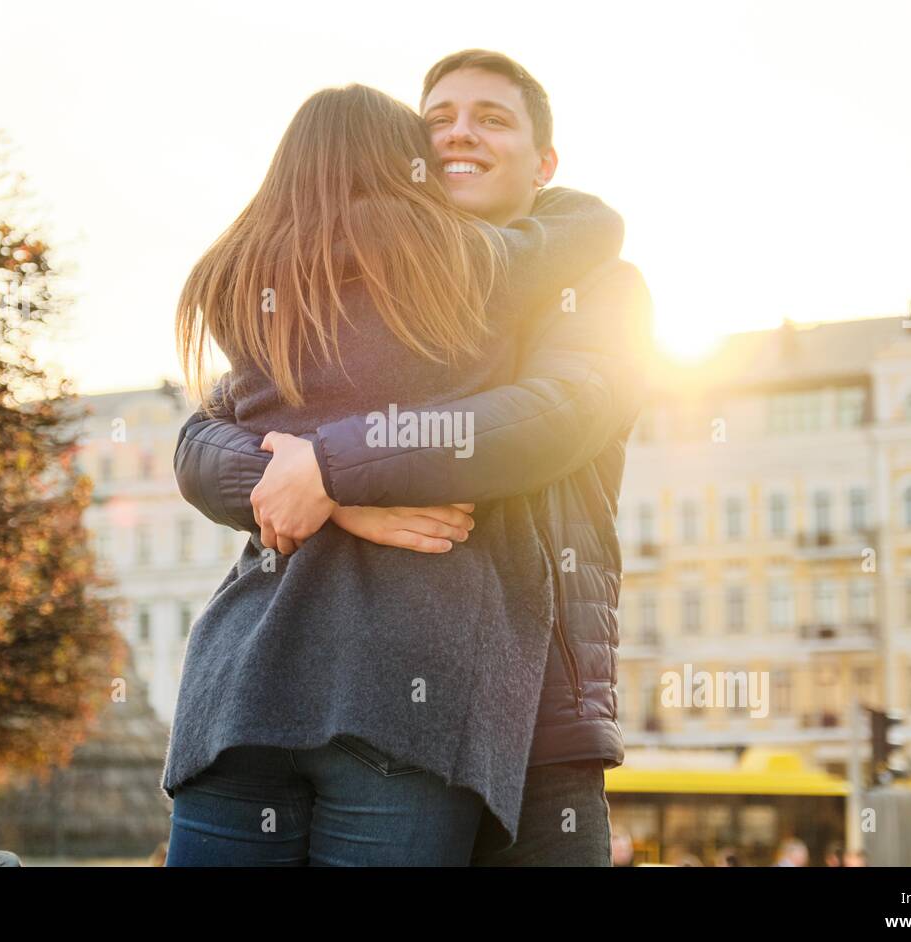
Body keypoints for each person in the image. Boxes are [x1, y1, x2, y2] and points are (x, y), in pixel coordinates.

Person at [172, 49, 651, 867]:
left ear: (545, 163)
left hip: (535, 711)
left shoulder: (595, 286)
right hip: (396, 693)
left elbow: (557, 415)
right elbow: (201, 436)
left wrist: (328, 471)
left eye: (491, 118)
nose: (460, 134)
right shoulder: (344, 286)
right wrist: (315, 485)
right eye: (438, 121)